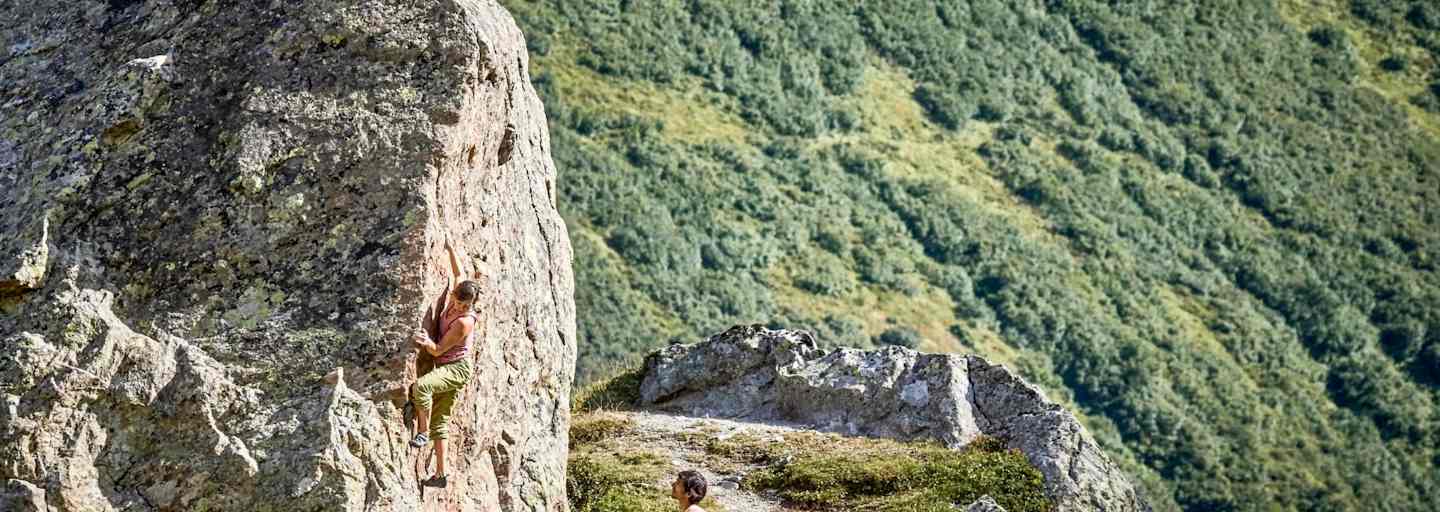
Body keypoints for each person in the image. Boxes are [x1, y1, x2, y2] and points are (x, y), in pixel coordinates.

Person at [409, 237, 482, 488]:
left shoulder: (464, 322)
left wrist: (424, 340)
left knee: (421, 387)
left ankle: (421, 432)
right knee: (441, 421)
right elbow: (458, 271)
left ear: (471, 304)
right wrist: (450, 248)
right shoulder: (457, 293)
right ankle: (441, 476)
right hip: (448, 367)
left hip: (456, 368)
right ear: (453, 294)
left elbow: (438, 351)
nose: (459, 306)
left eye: (464, 305)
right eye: (457, 301)